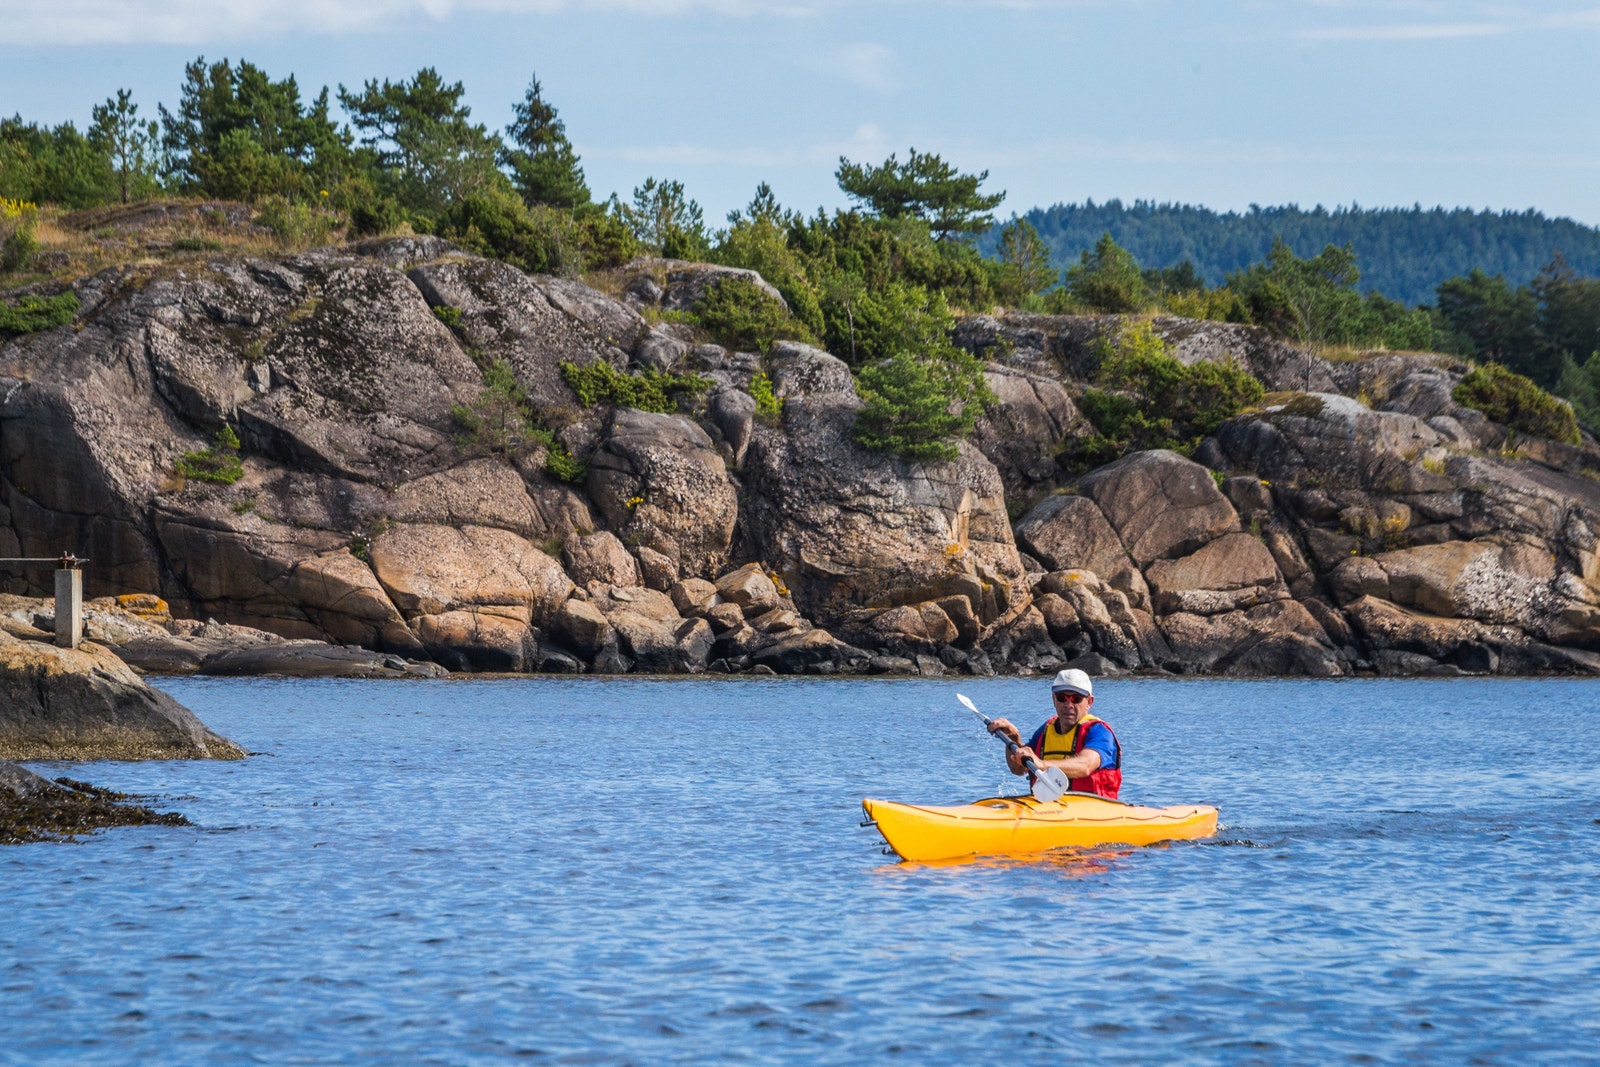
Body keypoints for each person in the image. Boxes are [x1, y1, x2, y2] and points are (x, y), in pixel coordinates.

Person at [986, 668, 1122, 799]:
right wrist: (1012, 738)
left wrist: (1042, 764)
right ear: (1054, 699)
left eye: (1076, 699)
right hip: (1052, 810)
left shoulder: (1100, 733)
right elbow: (1018, 769)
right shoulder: (1045, 731)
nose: (1068, 704)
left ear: (1089, 702)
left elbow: (1085, 765)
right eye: (1062, 697)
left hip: (1093, 811)